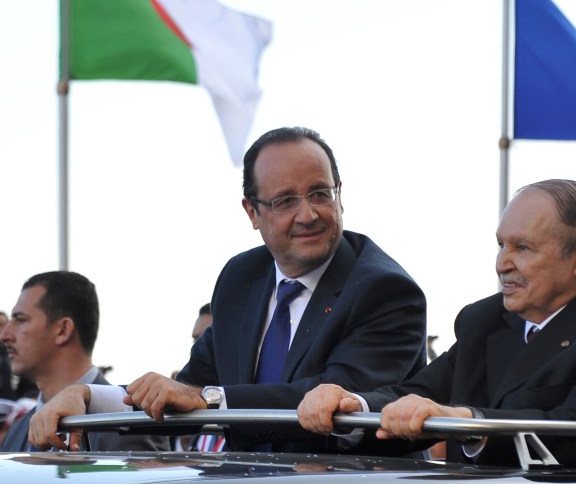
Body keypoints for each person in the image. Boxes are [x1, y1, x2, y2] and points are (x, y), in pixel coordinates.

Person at [30, 126, 427, 454]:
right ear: (252, 212)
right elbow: (185, 390)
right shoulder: (243, 277)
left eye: (320, 193)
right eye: (285, 201)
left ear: (340, 193)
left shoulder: (384, 289)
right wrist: (86, 396)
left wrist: (209, 399)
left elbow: (326, 400)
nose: (308, 215)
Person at [298, 179, 576, 469]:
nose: (502, 263)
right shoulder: (484, 320)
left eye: (522, 247)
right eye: (501, 245)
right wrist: (354, 404)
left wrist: (468, 422)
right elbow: (417, 393)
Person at [0, 271, 168, 452]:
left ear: (63, 330)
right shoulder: (17, 430)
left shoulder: (135, 425)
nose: (4, 336)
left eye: (21, 320)